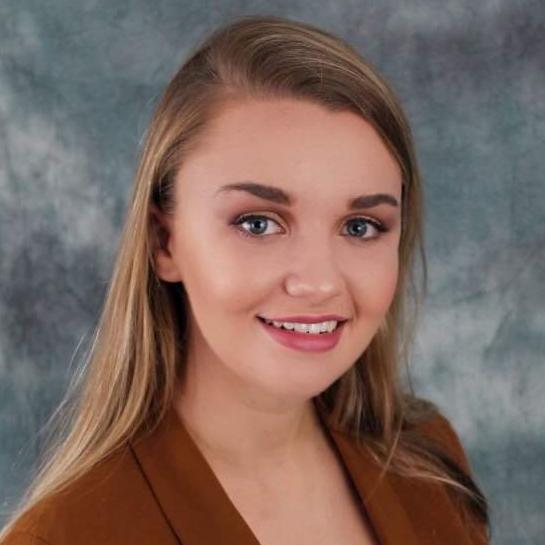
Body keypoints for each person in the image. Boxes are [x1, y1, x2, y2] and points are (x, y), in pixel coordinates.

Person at [0, 14, 490, 545]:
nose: (318, 282)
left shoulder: (426, 458)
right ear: (164, 243)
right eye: (258, 223)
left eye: (360, 226)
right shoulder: (65, 537)